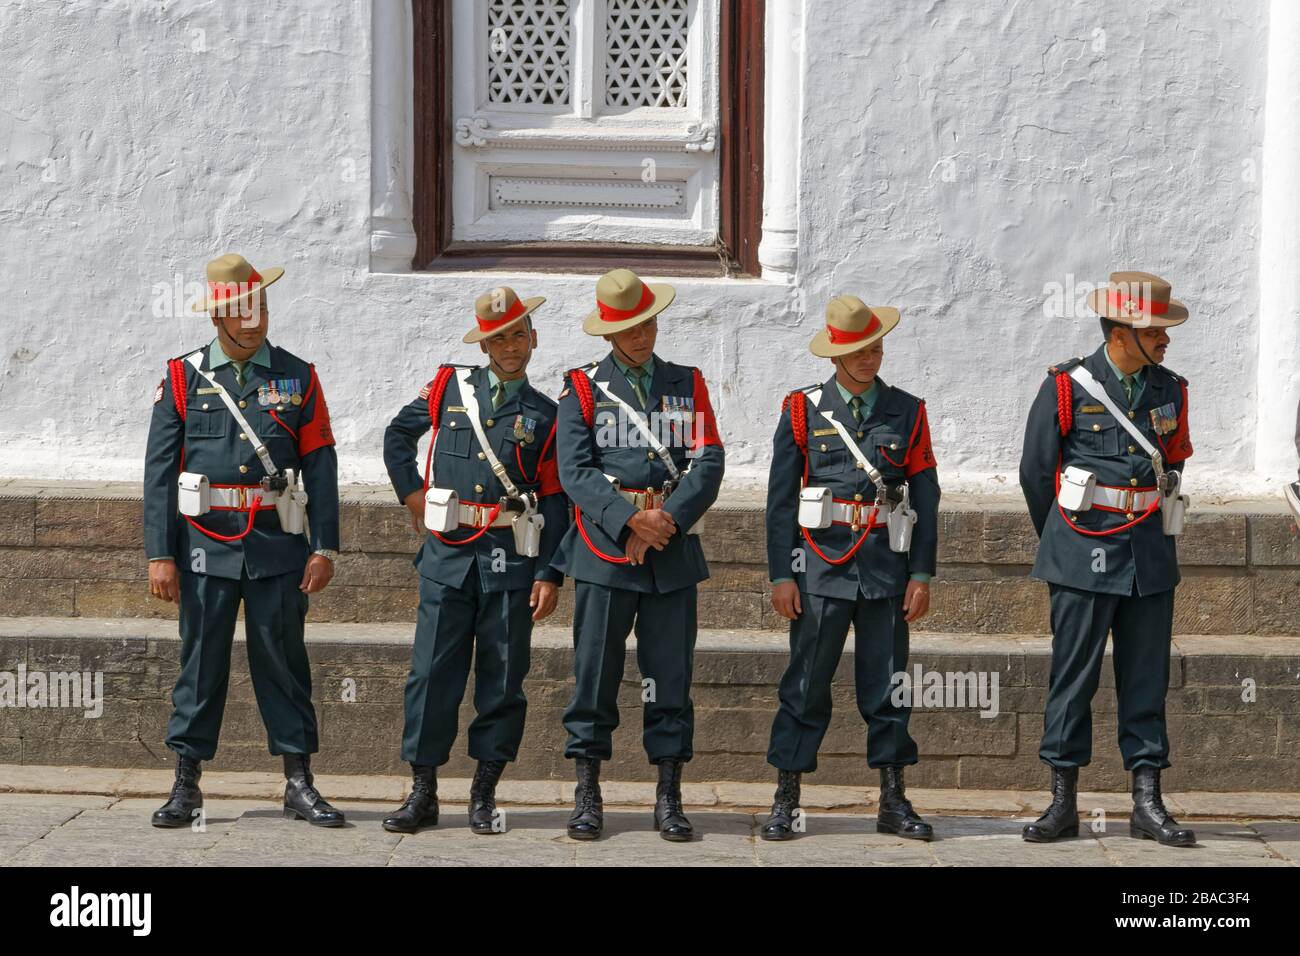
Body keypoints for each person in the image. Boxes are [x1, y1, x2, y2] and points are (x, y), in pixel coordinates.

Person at [144, 253, 344, 828]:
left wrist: (324, 546)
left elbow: (321, 466)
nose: (253, 319)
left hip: (277, 546)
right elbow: (159, 473)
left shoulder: (298, 376)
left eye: (258, 305)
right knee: (199, 665)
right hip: (204, 546)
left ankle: (299, 781)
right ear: (218, 317)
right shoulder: (182, 379)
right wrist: (160, 554)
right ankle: (186, 783)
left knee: (284, 664)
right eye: (239, 309)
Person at [1018, 270, 1196, 847]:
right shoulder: (1067, 387)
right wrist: (1069, 540)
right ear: (1120, 332)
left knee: (1147, 679)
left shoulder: (1170, 389)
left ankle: (1147, 802)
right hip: (1081, 551)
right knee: (1073, 679)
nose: (1165, 339)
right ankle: (1062, 801)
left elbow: (1173, 463)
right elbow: (1036, 473)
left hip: (1148, 553)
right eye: (1154, 330)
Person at [380, 287, 566, 834]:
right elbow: (397, 434)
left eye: (518, 335)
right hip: (448, 557)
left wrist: (550, 572)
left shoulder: (548, 415)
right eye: (499, 337)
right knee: (431, 675)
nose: (510, 347)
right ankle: (423, 790)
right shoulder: (447, 389)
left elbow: (555, 499)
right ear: (484, 343)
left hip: (512, 563)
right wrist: (411, 493)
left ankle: (485, 793)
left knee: (504, 678)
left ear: (534, 339)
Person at [551, 268, 725, 842]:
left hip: (670, 548)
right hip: (606, 551)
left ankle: (669, 795)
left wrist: (664, 519)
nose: (640, 335)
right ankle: (588, 792)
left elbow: (709, 461)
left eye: (646, 322)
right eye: (627, 327)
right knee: (594, 675)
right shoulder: (580, 390)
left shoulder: (686, 383)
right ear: (608, 332)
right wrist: (629, 520)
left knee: (670, 675)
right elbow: (575, 471)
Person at [760, 295, 939, 842]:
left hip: (887, 570)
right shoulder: (801, 410)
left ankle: (892, 798)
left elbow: (927, 498)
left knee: (888, 687)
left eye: (877, 347)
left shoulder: (907, 411)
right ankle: (787, 797)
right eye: (860, 350)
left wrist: (922, 574)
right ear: (835, 354)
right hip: (822, 569)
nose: (870, 358)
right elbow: (780, 501)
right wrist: (784, 574)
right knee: (806, 685)